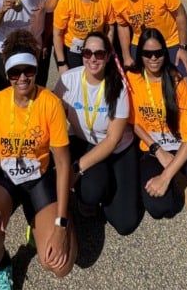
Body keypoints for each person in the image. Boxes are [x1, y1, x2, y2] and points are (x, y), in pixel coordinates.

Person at [0, 29, 77, 290]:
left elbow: (63, 163)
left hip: (40, 179)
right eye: (15, 72)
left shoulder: (50, 103)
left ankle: (42, 222)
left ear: (35, 69)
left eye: (28, 70)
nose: (22, 77)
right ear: (7, 74)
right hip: (6, 178)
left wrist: (61, 223)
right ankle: (3, 268)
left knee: (59, 265)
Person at [127, 28, 187, 269]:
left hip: (182, 145)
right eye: (147, 53)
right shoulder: (133, 81)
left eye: (158, 53)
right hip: (153, 148)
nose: (153, 58)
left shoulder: (176, 81)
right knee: (159, 208)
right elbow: (133, 122)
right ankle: (177, 183)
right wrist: (157, 150)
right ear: (140, 55)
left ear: (165, 53)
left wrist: (166, 175)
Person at [54, 31, 142, 233]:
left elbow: (112, 140)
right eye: (87, 53)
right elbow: (52, 116)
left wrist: (75, 169)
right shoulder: (68, 81)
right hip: (86, 141)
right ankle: (94, 194)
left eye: (99, 54)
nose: (92, 58)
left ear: (109, 56)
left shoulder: (117, 86)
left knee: (125, 223)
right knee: (92, 191)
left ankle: (117, 179)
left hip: (118, 147)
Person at [112, 0, 187, 87]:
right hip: (140, 44)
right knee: (143, 86)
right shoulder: (116, 0)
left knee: (185, 85)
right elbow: (123, 26)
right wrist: (126, 55)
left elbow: (180, 14)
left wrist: (183, 47)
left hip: (170, 41)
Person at [53, 0, 115, 71]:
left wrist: (108, 51)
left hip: (97, 49)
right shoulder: (66, 1)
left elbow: (110, 28)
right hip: (73, 50)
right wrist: (61, 63)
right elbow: (57, 34)